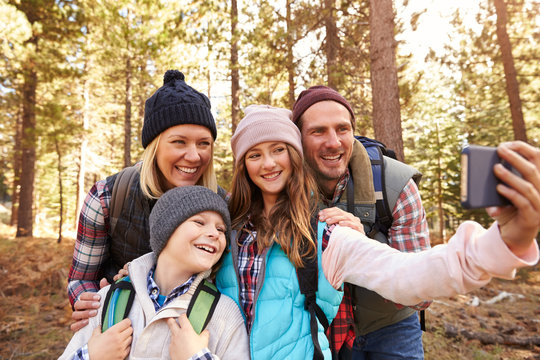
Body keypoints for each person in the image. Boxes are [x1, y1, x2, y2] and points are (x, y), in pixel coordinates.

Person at [216, 104, 539, 360]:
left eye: (279, 149)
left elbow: (408, 273)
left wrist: (503, 242)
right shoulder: (223, 228)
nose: (268, 163)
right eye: (254, 155)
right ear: (242, 165)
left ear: (295, 157)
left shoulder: (326, 231)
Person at [68, 69, 222, 332]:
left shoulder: (221, 206)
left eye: (204, 143)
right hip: (120, 333)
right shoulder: (107, 197)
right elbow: (80, 279)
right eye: (179, 142)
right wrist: (90, 302)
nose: (194, 156)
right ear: (154, 145)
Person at [292, 85, 431, 359]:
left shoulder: (396, 185)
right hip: (319, 325)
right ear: (298, 139)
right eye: (318, 131)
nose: (333, 142)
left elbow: (420, 294)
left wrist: (362, 247)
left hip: (391, 326)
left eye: (342, 129)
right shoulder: (282, 187)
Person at [59, 185, 249, 360]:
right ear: (166, 230)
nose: (215, 234)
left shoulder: (224, 314)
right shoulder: (110, 300)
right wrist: (91, 356)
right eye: (199, 222)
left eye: (221, 229)